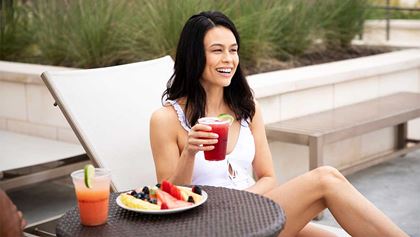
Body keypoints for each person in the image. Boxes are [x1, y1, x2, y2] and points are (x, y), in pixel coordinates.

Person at [150, 11, 408, 237]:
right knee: (325, 178)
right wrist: (190, 153)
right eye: (217, 50)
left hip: (253, 210)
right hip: (210, 224)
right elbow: (171, 197)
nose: (228, 59)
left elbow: (269, 177)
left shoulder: (247, 109)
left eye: (233, 49)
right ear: (194, 56)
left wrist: (245, 201)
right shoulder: (166, 119)